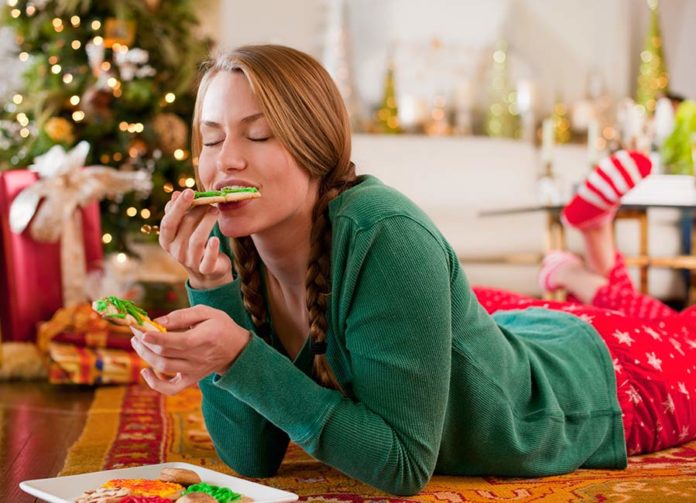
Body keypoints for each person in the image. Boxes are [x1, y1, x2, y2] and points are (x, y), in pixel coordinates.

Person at [130, 44, 696, 496]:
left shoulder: (387, 235)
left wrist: (237, 355)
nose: (225, 159)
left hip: (607, 382)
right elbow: (251, 456)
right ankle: (586, 272)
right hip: (513, 334)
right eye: (210, 138)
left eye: (256, 134)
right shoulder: (233, 241)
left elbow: (401, 465)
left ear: (315, 146)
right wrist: (212, 296)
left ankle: (593, 257)